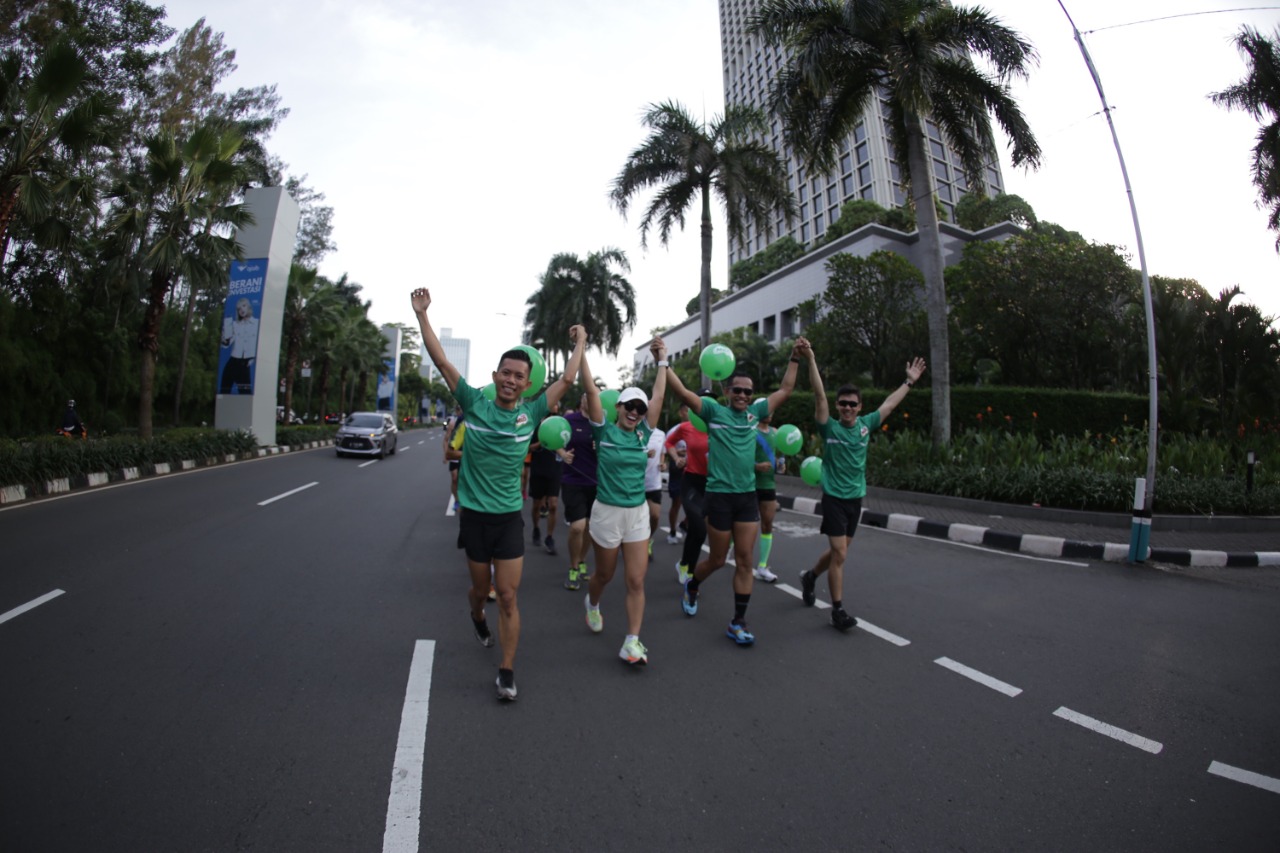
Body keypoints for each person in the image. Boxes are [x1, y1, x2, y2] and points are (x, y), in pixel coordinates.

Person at [412, 287, 585, 702]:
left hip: (508, 517)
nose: (510, 380)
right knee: (479, 591)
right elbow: (441, 361)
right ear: (495, 377)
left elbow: (567, 379)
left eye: (518, 376)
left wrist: (579, 343)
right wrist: (421, 316)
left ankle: (506, 670)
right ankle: (475, 615)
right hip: (474, 515)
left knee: (507, 595)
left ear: (527, 385)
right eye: (505, 373)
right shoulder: (474, 405)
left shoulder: (533, 413)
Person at [663, 340, 807, 645]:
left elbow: (785, 391)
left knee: (744, 560)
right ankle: (692, 584)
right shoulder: (715, 412)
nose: (742, 395)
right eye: (737, 390)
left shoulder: (755, 414)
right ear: (727, 391)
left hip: (746, 497)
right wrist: (664, 360)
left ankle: (738, 621)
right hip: (718, 497)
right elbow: (683, 393)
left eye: (747, 391)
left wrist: (794, 358)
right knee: (717, 559)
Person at [798, 347, 927, 631]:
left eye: (852, 404)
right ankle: (838, 611)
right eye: (842, 403)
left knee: (837, 554)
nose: (847, 408)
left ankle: (810, 577)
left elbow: (889, 405)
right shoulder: (829, 428)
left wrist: (909, 381)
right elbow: (819, 395)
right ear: (838, 405)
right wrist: (811, 360)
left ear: (859, 407)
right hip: (833, 498)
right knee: (840, 554)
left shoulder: (866, 426)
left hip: (855, 500)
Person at [581, 337, 667, 664]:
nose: (634, 412)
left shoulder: (645, 434)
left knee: (635, 579)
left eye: (639, 409)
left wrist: (662, 360)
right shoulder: (603, 432)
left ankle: (632, 641)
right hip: (606, 513)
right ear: (617, 406)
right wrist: (581, 349)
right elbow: (590, 390)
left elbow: (659, 394)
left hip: (637, 514)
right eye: (629, 406)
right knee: (604, 575)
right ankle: (593, 603)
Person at [664, 397, 709, 585]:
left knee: (699, 532)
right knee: (698, 527)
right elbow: (668, 443)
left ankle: (684, 564)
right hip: (691, 481)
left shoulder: (719, 427)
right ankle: (688, 570)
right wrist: (675, 458)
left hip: (712, 483)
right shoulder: (686, 427)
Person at [559, 394, 599, 591]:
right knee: (577, 527)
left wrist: (600, 447)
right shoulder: (569, 420)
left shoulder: (602, 423)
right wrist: (562, 453)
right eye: (587, 395)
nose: (590, 398)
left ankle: (582, 560)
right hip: (572, 480)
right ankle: (573, 566)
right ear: (582, 400)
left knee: (590, 528)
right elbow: (552, 437)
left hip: (596, 482)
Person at [528, 402, 564, 555]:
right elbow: (528, 447)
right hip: (538, 469)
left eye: (556, 404)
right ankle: (536, 528)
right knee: (536, 504)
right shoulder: (536, 425)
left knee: (554, 505)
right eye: (551, 404)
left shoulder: (561, 424)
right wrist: (540, 443)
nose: (554, 406)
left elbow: (566, 442)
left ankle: (549, 537)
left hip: (555, 470)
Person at [753, 410, 782, 583]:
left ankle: (762, 567)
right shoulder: (750, 431)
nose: (770, 413)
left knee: (767, 524)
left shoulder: (776, 432)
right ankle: (732, 546)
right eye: (766, 410)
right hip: (749, 484)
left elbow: (779, 453)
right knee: (744, 524)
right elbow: (741, 456)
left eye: (772, 410)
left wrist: (781, 464)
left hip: (768, 484)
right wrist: (755, 466)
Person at [219, 297, 259, 395]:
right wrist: (224, 339)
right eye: (239, 308)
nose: (242, 310)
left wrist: (253, 360)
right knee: (224, 391)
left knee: (246, 395)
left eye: (244, 306)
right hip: (232, 362)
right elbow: (226, 345)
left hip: (246, 364)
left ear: (248, 306)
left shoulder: (257, 323)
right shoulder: (235, 324)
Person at [643, 418, 667, 561]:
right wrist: (643, 455)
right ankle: (636, 544)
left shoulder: (661, 434)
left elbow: (662, 452)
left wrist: (662, 463)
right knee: (637, 520)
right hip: (636, 483)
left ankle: (648, 540)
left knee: (655, 516)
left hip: (654, 483)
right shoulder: (636, 431)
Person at [664, 425, 686, 545]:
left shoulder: (701, 428)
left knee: (699, 503)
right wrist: (678, 453)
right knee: (677, 501)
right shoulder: (675, 430)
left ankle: (684, 524)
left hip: (694, 467)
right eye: (686, 411)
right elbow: (666, 447)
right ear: (681, 413)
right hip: (677, 466)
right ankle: (672, 531)